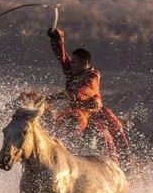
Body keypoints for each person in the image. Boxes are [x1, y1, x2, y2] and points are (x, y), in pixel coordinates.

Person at [46, 27, 130, 162]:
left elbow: (83, 92)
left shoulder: (93, 76)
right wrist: (56, 37)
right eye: (72, 61)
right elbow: (61, 57)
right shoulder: (72, 70)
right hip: (75, 110)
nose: (71, 64)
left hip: (93, 113)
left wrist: (55, 97)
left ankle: (122, 166)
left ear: (85, 64)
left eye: (75, 62)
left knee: (117, 131)